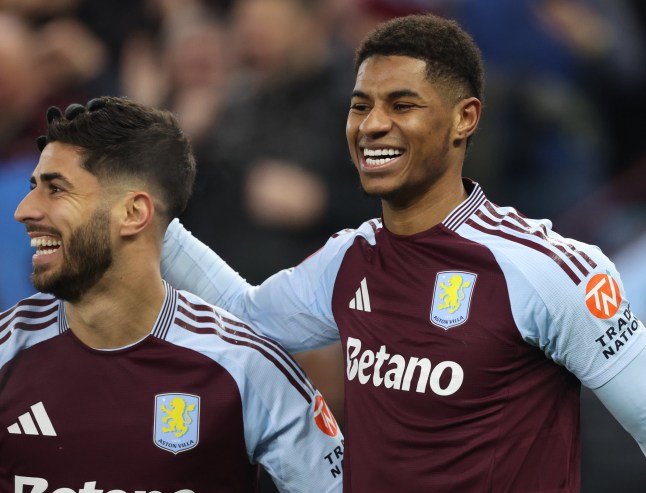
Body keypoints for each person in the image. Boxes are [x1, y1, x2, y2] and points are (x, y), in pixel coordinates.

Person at [160, 14, 646, 492]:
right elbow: (245, 316)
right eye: (360, 106)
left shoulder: (544, 268)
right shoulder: (349, 259)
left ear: (465, 118)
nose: (372, 125)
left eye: (402, 104)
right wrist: (145, 219)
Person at [0, 96, 344, 492]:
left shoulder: (243, 365)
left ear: (133, 214)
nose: (24, 210)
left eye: (55, 189)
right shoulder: (8, 349)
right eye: (33, 187)